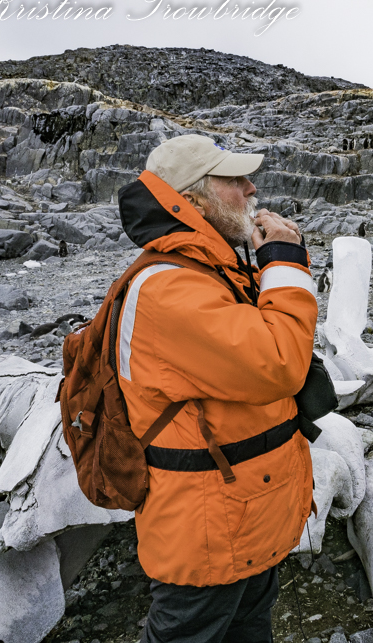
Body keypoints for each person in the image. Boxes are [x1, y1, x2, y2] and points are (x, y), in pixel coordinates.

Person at [115, 134, 319, 643]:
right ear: (193, 200)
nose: (252, 189)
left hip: (245, 513)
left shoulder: (212, 269)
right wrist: (284, 262)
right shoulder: (170, 288)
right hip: (208, 531)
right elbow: (279, 364)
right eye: (235, 180)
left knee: (248, 627)